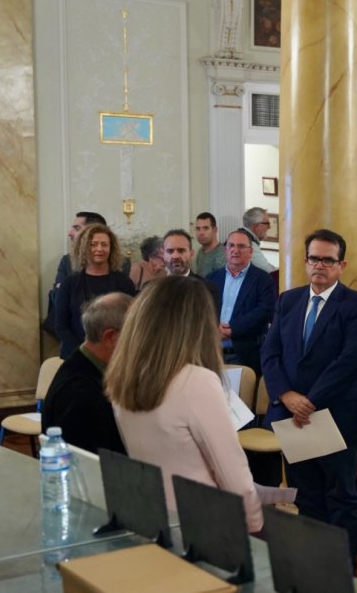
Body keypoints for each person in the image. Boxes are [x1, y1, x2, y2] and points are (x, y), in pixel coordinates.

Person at [106, 276, 263, 532]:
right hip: (203, 520)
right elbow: (232, 473)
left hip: (153, 513)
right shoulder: (196, 381)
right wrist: (255, 524)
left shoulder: (124, 374)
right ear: (198, 325)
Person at [261, 229, 357, 556]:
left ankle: (341, 574)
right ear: (305, 261)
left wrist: (309, 402)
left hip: (333, 417)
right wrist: (286, 396)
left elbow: (350, 361)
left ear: (341, 265)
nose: (319, 266)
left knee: (341, 500)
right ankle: (314, 569)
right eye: (314, 259)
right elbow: (270, 353)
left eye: (328, 260)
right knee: (307, 498)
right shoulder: (288, 300)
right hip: (292, 417)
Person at [43, 292, 133, 455]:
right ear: (110, 337)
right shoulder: (79, 391)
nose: (142, 342)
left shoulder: (85, 367)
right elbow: (89, 463)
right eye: (136, 334)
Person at [54, 224, 137, 359]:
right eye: (93, 244)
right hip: (76, 356)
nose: (99, 249)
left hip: (115, 356)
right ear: (83, 248)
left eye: (104, 244)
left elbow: (132, 322)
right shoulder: (69, 283)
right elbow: (61, 326)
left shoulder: (124, 282)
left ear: (111, 249)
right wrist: (84, 352)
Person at [206, 230, 276, 375]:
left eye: (241, 246)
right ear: (225, 250)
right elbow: (201, 309)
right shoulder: (211, 278)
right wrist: (213, 328)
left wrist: (232, 329)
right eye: (231, 245)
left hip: (244, 354)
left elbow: (265, 311)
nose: (235, 250)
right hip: (211, 352)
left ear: (250, 252)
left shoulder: (263, 279)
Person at [240, 206, 277, 272]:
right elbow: (267, 270)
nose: (269, 227)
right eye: (267, 223)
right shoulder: (249, 244)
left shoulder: (241, 236)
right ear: (257, 226)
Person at [192, 212, 225, 276]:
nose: (201, 233)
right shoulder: (200, 251)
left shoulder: (222, 255)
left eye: (205, 228)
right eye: (198, 229)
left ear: (215, 230)